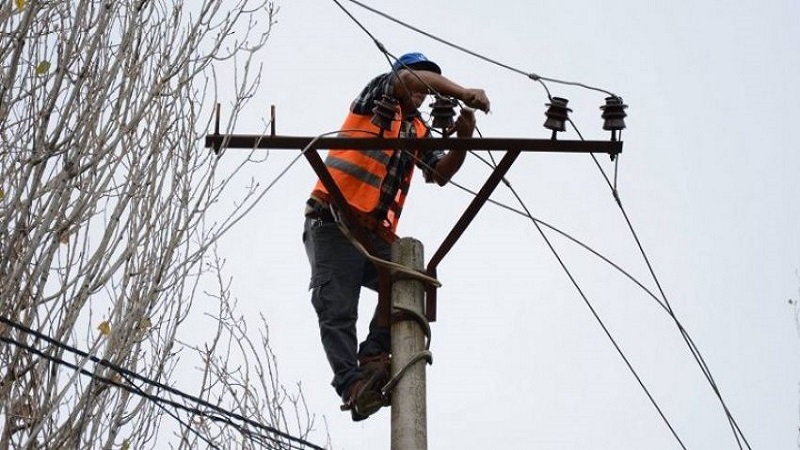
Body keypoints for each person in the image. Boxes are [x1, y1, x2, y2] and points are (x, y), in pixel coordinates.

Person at [302, 52, 490, 421]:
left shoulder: (418, 129)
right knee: (337, 306)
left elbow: (439, 173)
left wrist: (463, 139)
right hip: (334, 220)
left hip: (372, 234)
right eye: (422, 82)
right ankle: (352, 385)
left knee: (410, 286)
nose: (422, 93)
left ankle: (373, 358)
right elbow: (408, 82)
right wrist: (463, 91)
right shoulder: (378, 97)